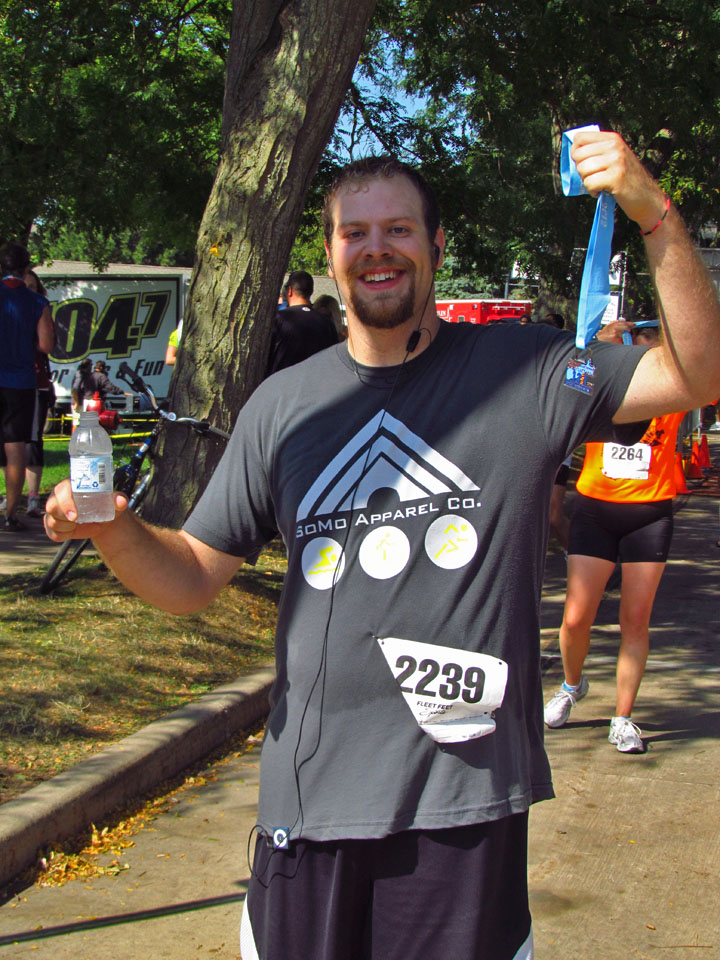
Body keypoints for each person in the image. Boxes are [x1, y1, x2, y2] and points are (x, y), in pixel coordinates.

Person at [45, 131, 720, 960]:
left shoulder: (530, 369)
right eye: (354, 233)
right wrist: (113, 526)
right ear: (330, 255)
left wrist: (651, 211)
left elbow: (697, 375)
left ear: (436, 246)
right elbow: (189, 577)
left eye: (398, 229)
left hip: (463, 810)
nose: (377, 250)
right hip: (310, 805)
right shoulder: (282, 407)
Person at [544, 319, 685, 753]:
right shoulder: (604, 388)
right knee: (575, 619)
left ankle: (622, 719)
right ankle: (571, 685)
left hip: (649, 514)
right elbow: (568, 385)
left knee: (634, 621)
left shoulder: (676, 392)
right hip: (595, 510)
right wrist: (591, 348)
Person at [0, 243, 54, 530]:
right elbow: (46, 345)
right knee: (15, 447)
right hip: (20, 381)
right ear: (26, 269)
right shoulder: (37, 303)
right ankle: (10, 513)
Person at [265, 269, 340, 374]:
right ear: (311, 292)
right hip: (315, 384)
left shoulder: (279, 319)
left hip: (283, 384)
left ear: (290, 291)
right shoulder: (326, 323)